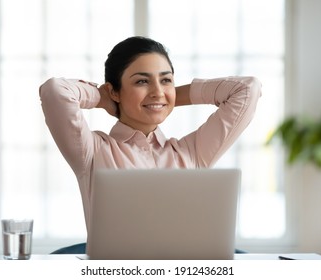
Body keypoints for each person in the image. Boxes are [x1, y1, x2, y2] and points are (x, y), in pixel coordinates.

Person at [39, 36, 261, 256]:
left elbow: (248, 89)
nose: (157, 90)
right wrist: (104, 99)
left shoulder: (191, 153)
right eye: (142, 81)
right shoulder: (93, 151)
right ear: (114, 91)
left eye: (166, 80)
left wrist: (168, 99)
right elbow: (55, 91)